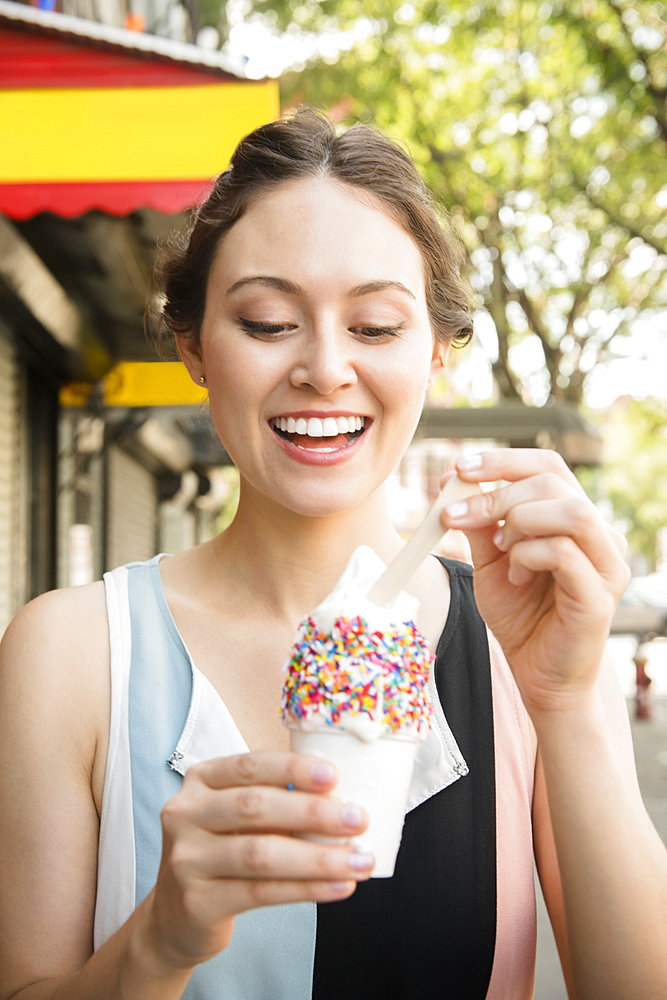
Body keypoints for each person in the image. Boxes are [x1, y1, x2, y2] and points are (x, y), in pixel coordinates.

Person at [1, 109, 666, 1000]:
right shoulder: (72, 653)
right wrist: (155, 944)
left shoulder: (519, 645)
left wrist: (571, 697)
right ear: (195, 346)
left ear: (438, 354)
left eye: (377, 328)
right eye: (269, 322)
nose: (323, 367)